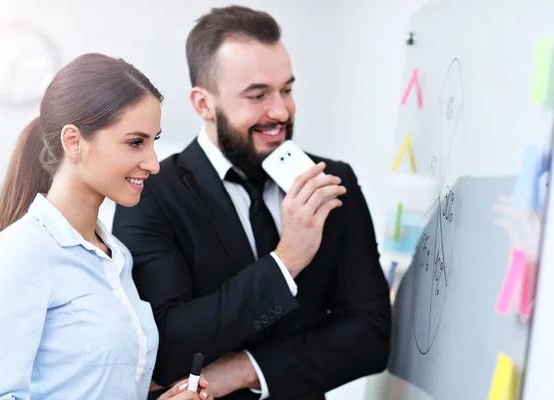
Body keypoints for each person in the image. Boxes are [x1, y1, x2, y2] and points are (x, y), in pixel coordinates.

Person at [112, 6, 391, 400]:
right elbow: (167, 346)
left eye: (287, 90)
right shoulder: (153, 192)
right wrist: (287, 262)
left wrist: (244, 369)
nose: (281, 111)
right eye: (257, 95)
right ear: (203, 104)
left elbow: (370, 336)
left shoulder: (331, 183)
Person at [0, 53, 210, 400]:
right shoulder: (21, 253)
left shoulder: (116, 257)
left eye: (154, 141)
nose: (153, 163)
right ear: (74, 141)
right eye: (136, 142)